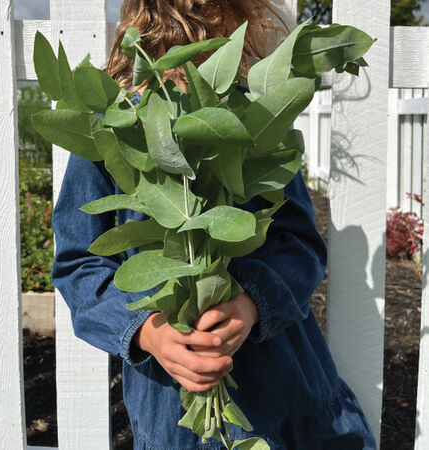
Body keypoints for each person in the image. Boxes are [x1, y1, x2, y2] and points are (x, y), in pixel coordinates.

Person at [51, 1, 378, 449]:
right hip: (172, 406)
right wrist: (151, 331)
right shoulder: (111, 129)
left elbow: (299, 243)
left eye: (213, 55)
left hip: (283, 391)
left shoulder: (253, 119)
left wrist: (250, 305)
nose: (196, 82)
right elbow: (78, 266)